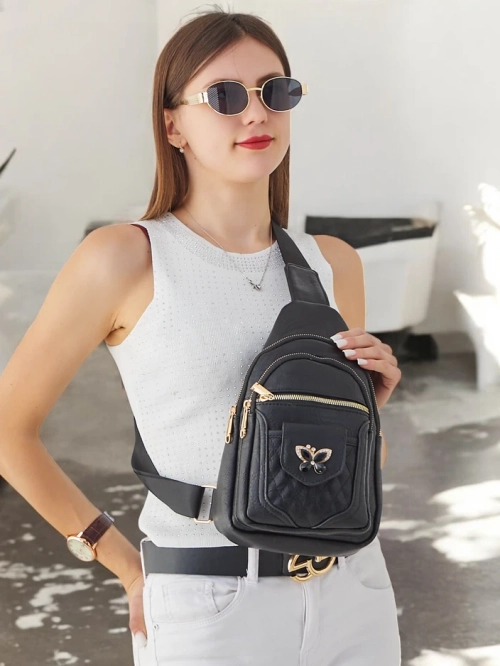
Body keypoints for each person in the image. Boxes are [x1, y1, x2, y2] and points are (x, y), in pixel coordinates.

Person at [0, 7, 402, 665]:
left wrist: (366, 412)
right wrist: (122, 562)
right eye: (225, 96)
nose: (257, 113)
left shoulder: (334, 263)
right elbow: (7, 429)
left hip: (354, 591)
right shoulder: (125, 258)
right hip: (210, 603)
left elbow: (345, 476)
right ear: (172, 125)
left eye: (276, 91)